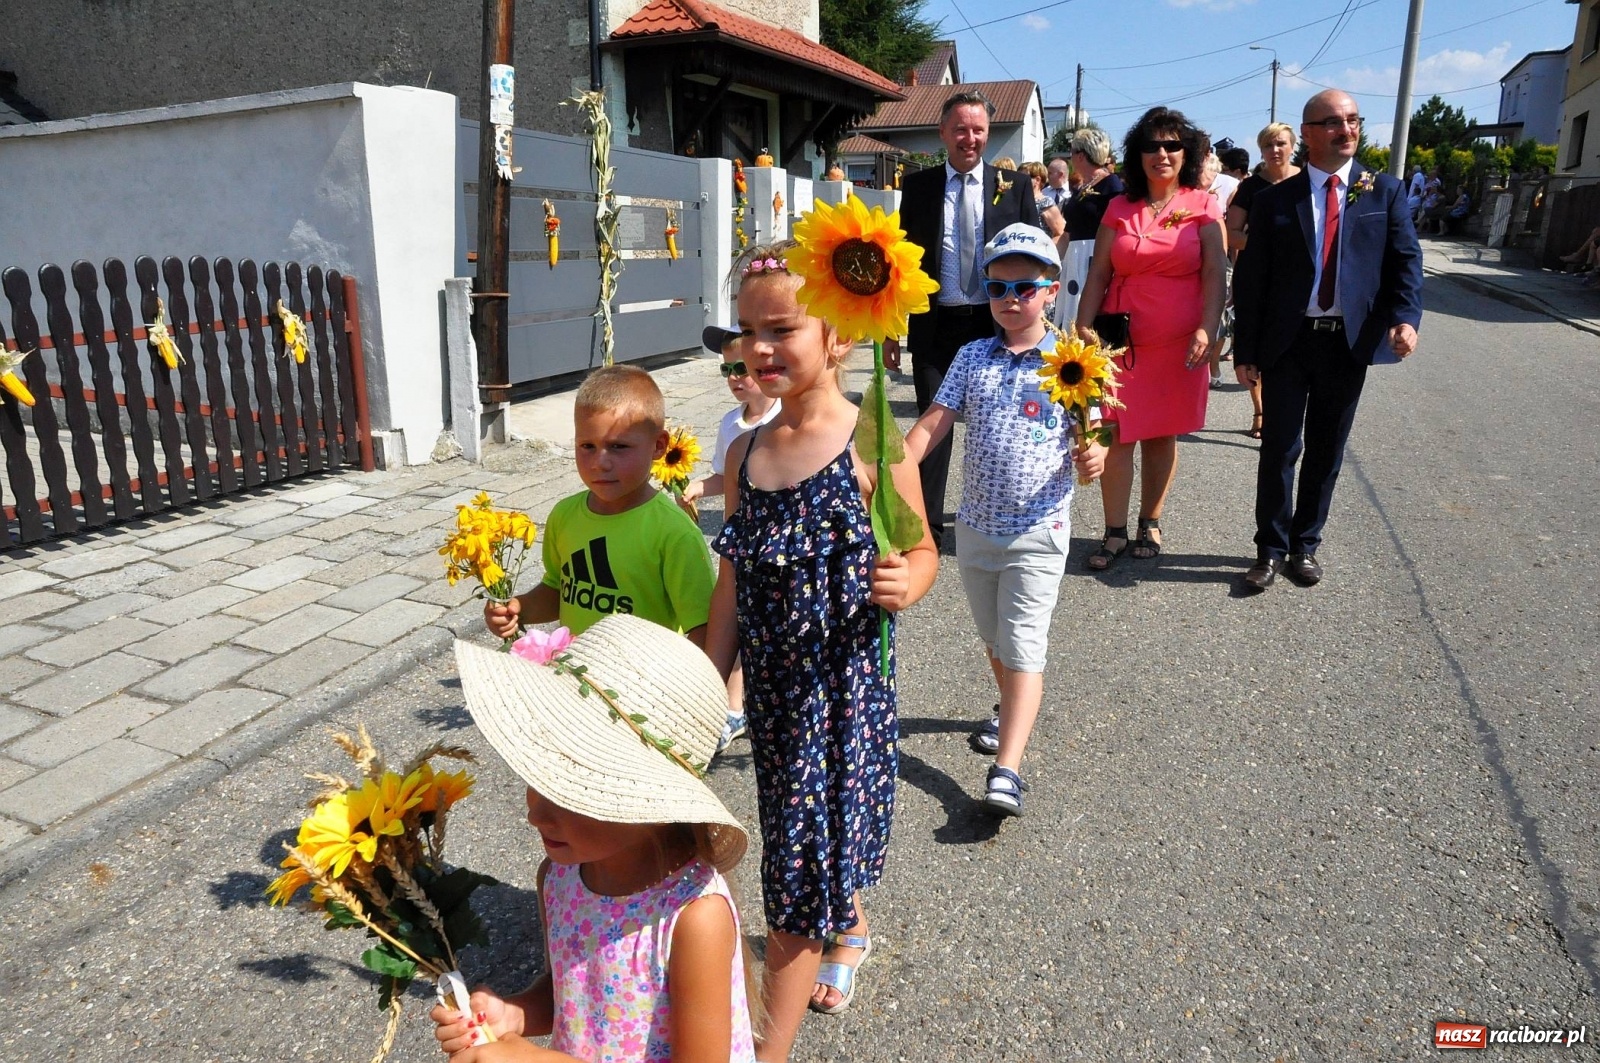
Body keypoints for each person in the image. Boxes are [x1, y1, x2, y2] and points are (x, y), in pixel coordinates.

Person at [707, 242, 938, 1060]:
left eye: (781, 328)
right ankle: (852, 920)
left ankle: (768, 1049)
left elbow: (921, 550)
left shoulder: (873, 442)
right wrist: (706, 683)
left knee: (797, 877)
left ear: (838, 333)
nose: (759, 349)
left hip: (841, 698)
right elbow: (729, 586)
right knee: (805, 839)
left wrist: (906, 582)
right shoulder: (745, 454)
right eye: (747, 331)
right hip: (772, 700)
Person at [439, 615, 760, 1062]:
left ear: (651, 804)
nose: (536, 812)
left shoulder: (694, 918)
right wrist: (513, 1014)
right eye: (539, 778)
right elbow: (569, 992)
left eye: (572, 792)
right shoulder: (560, 877)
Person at [903, 224, 1106, 815]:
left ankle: (1007, 768)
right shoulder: (972, 357)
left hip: (1039, 530)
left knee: (1021, 644)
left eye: (1025, 286)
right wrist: (882, 473)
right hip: (975, 529)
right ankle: (1008, 706)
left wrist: (1096, 453)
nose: (1010, 298)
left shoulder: (1070, 361)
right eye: (998, 287)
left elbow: (1098, 432)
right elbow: (930, 429)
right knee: (994, 639)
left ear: (1050, 291)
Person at [1232, 89, 1422, 592]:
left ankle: (1305, 546)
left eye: (1353, 120)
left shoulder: (1383, 192)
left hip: (1347, 344)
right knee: (1278, 448)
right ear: (1309, 133)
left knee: (1326, 450)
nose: (1347, 130)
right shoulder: (1275, 199)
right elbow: (1252, 281)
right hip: (1287, 343)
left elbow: (1405, 263)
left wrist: (1405, 318)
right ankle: (1269, 550)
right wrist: (1245, 350)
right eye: (1334, 122)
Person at [1075, 106, 1226, 570]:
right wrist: (1083, 325)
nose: (1161, 153)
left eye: (1172, 145)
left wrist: (1208, 326)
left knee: (1161, 434)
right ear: (1138, 155)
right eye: (1152, 145)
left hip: (1179, 342)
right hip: (1118, 342)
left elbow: (1217, 274)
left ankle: (1150, 520)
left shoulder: (1203, 204)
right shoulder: (1119, 206)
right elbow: (1098, 271)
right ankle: (1114, 530)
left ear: (1187, 153)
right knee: (1116, 433)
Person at [886, 91, 1040, 549]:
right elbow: (900, 263)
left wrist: (1033, 326)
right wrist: (892, 330)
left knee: (1001, 424)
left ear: (988, 134)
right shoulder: (919, 188)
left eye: (977, 130)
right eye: (960, 129)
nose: (969, 138)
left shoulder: (1013, 187)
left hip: (995, 325)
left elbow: (1032, 261)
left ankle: (1004, 516)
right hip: (936, 325)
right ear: (942, 132)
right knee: (934, 422)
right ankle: (927, 526)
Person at [484, 365, 715, 646]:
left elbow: (703, 627)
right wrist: (518, 609)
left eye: (618, 447)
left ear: (659, 445)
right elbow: (559, 590)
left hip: (644, 683)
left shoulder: (675, 533)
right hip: (578, 675)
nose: (600, 463)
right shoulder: (564, 515)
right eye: (587, 446)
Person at [680, 325, 781, 752]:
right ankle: (733, 705)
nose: (735, 377)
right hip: (741, 538)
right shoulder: (730, 423)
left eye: (741, 367)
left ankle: (757, 700)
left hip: (777, 538)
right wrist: (698, 488)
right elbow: (727, 476)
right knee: (738, 617)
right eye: (727, 370)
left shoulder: (783, 417)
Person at [1226, 122, 1301, 440]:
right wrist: (1263, 242)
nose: (1275, 150)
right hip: (1257, 276)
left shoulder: (1307, 181)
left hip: (1298, 278)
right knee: (1255, 347)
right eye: (1268, 145)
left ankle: (1287, 411)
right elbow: (1230, 233)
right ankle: (1260, 410)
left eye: (1281, 143)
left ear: (1292, 145)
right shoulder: (1251, 187)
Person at [1055, 126, 1125, 330]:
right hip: (1074, 260)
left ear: (1081, 155)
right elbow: (1068, 233)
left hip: (1095, 260)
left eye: (1072, 152)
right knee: (1070, 318)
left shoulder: (1112, 187)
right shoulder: (1082, 188)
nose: (1070, 158)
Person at [1020, 161, 1067, 242]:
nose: (1019, 181)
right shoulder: (1019, 201)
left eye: (1023, 178)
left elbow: (1060, 233)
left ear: (1037, 180)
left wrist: (1047, 250)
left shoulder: (1046, 203)